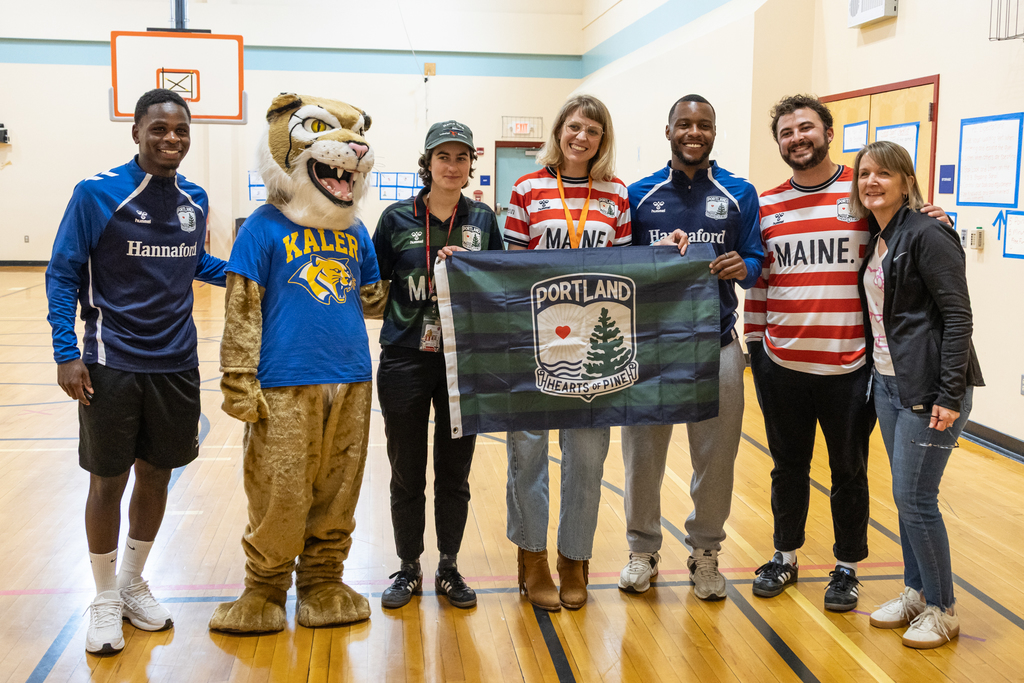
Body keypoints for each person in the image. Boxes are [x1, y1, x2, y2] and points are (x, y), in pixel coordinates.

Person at [743, 94, 949, 612]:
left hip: (851, 368)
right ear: (780, 143)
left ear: (828, 133)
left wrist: (936, 215)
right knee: (786, 467)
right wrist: (756, 350)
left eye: (806, 128)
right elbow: (761, 281)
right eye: (787, 132)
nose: (797, 138)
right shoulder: (765, 204)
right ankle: (784, 556)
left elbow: (905, 231)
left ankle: (847, 568)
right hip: (781, 363)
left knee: (849, 470)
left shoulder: (860, 194)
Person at [45, 89, 227, 654]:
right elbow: (62, 273)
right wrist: (65, 351)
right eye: (159, 129)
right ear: (136, 133)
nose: (171, 138)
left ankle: (131, 582)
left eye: (180, 130)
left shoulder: (194, 197)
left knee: (157, 475)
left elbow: (195, 262)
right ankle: (102, 596)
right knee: (108, 480)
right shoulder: (96, 193)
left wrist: (258, 268)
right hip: (110, 359)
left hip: (177, 362)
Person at [619, 95, 763, 600]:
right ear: (668, 131)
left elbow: (756, 259)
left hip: (717, 344)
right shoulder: (638, 195)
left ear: (714, 132)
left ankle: (706, 552)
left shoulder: (740, 193)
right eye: (685, 124)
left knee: (716, 458)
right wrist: (651, 255)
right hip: (651, 349)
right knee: (642, 456)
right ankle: (642, 548)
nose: (694, 132)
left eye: (704, 124)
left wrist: (743, 267)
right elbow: (618, 264)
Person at [852, 141, 983, 648]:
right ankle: (915, 591)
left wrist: (950, 394)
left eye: (885, 173)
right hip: (888, 383)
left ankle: (943, 608)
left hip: (931, 389)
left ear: (907, 181)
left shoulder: (929, 233)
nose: (872, 182)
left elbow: (959, 317)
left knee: (916, 498)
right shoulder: (878, 235)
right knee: (905, 499)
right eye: (865, 174)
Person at [503, 94, 631, 610]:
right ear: (558, 130)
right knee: (527, 454)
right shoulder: (527, 188)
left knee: (586, 456)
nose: (582, 138)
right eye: (575, 127)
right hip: (535, 343)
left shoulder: (615, 194)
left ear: (603, 140)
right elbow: (508, 269)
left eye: (593, 131)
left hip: (595, 345)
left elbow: (629, 271)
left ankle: (574, 560)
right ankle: (532, 561)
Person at [372, 121, 504, 610]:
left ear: (471, 165)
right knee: (406, 469)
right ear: (426, 164)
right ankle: (408, 566)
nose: (452, 166)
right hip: (405, 358)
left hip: (461, 361)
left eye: (461, 157)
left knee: (454, 471)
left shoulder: (483, 220)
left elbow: (501, 289)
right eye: (442, 157)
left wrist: (466, 270)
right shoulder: (394, 219)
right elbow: (372, 287)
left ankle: (449, 565)